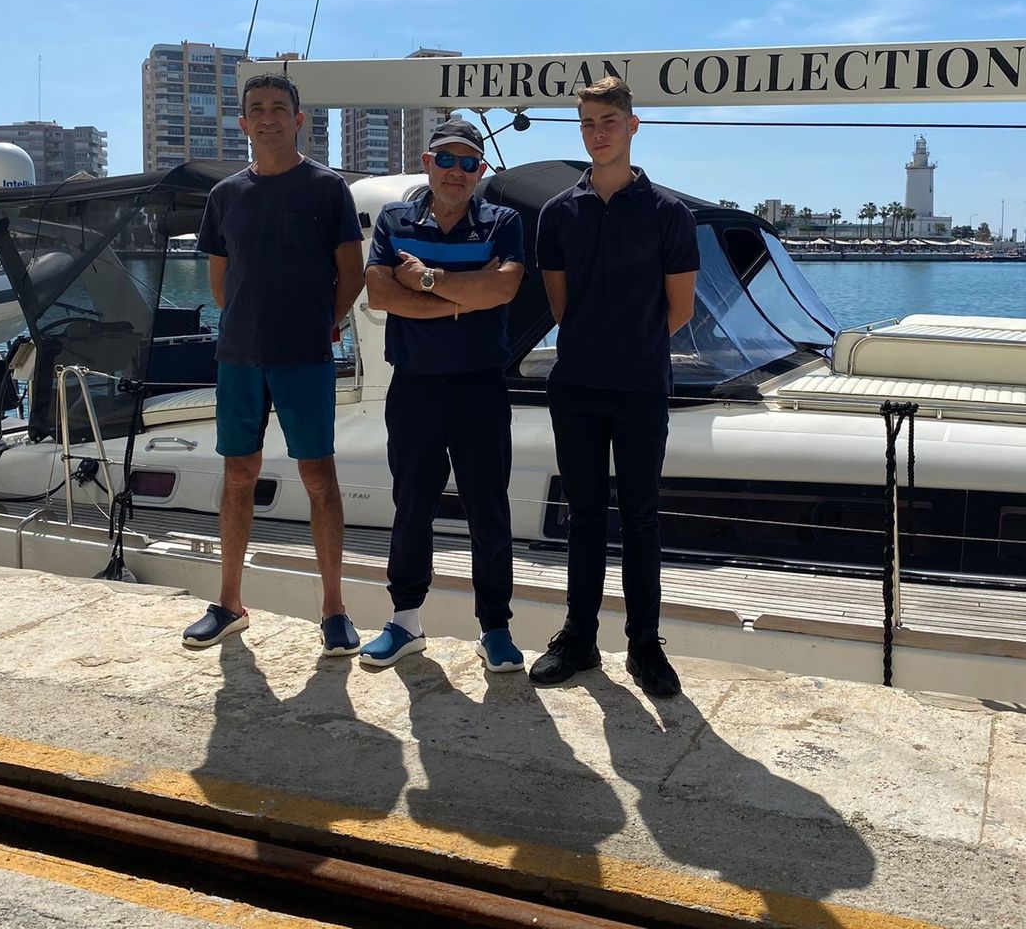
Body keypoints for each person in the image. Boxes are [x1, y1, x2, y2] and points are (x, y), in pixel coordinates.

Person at [182, 72, 366, 655]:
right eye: (257, 109)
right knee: (238, 475)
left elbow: (352, 273)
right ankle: (229, 603)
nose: (268, 117)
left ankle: (333, 609)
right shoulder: (225, 196)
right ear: (243, 122)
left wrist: (322, 322)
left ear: (298, 119)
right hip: (239, 356)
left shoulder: (327, 188)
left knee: (319, 477)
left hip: (305, 356)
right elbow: (220, 283)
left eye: (279, 108)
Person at [529, 77, 699, 698]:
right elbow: (561, 306)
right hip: (576, 385)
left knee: (641, 518)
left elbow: (680, 309)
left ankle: (645, 645)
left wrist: (630, 347)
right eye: (587, 123)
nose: (597, 133)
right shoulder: (558, 214)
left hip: (641, 387)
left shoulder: (669, 214)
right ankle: (579, 639)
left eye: (608, 121)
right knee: (583, 518)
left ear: (632, 126)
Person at [358, 117, 527, 671]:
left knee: (488, 508)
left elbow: (504, 287)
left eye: (468, 162)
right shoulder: (395, 219)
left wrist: (426, 280)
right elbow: (381, 295)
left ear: (480, 170)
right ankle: (405, 621)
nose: (457, 171)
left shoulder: (502, 221)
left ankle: (495, 628)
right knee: (412, 505)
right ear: (428, 163)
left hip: (480, 386)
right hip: (414, 385)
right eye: (447, 160)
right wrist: (464, 300)